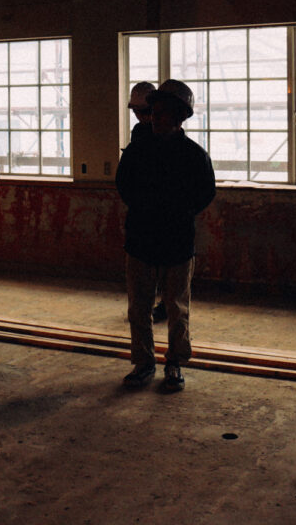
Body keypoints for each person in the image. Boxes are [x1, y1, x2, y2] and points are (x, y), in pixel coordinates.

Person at [115, 79, 216, 392]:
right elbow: (124, 185)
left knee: (176, 308)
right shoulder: (137, 151)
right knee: (139, 307)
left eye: (161, 112)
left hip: (177, 242)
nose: (155, 117)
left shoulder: (194, 156)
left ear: (179, 116)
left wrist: (176, 213)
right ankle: (144, 362)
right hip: (142, 239)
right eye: (154, 112)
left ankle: (175, 363)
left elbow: (205, 193)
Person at [125, 81, 168, 324]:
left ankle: (164, 304)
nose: (140, 117)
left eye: (143, 112)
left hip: (163, 214)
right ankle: (150, 305)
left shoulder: (165, 135)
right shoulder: (139, 133)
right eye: (137, 113)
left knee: (165, 265)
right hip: (145, 214)